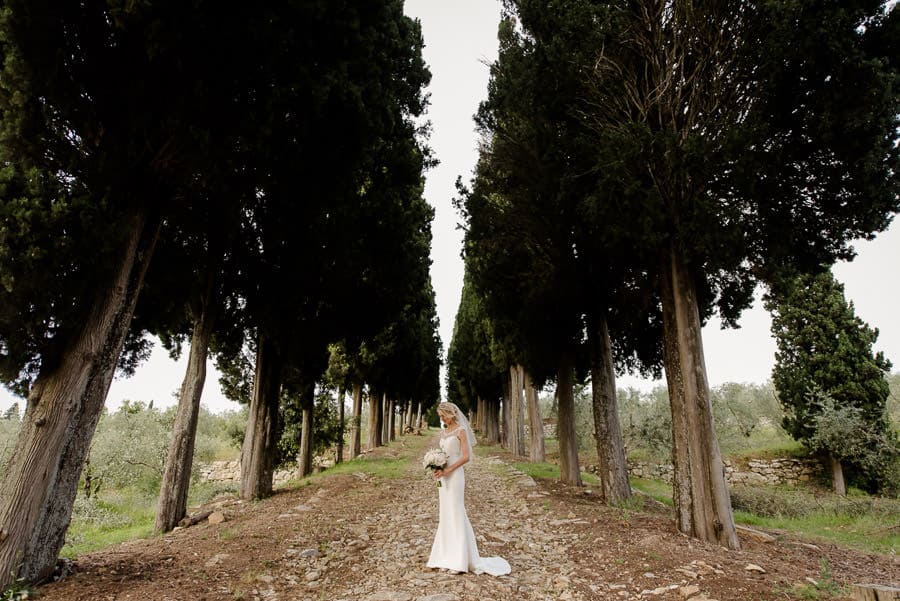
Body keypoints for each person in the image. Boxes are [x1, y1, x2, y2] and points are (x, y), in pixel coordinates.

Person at [426, 402, 511, 576]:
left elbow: (466, 457)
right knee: (445, 514)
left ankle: (459, 559)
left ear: (451, 414)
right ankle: (445, 557)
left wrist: (449, 469)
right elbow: (444, 455)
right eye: (440, 416)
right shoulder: (444, 432)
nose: (441, 418)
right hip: (444, 477)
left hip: (456, 476)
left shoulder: (461, 431)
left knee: (456, 513)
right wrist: (437, 466)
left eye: (443, 415)